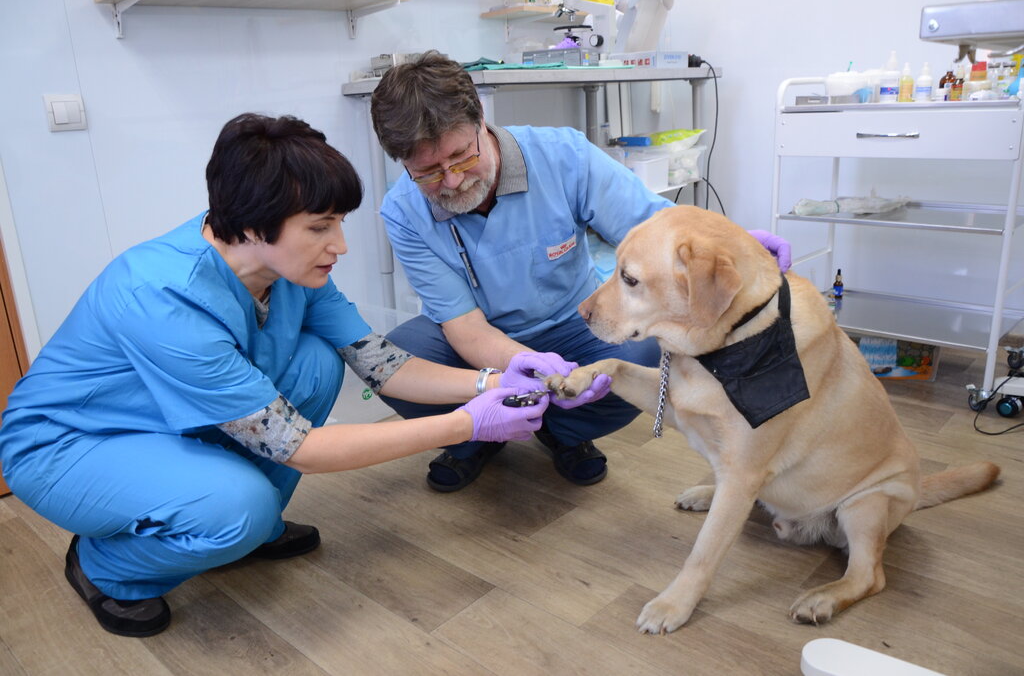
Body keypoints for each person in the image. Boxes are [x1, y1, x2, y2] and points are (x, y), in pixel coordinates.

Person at [0, 113, 566, 638]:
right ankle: (106, 566)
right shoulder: (162, 296)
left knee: (318, 363)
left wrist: (497, 379)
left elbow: (382, 365)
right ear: (250, 225)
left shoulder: (286, 268)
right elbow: (300, 448)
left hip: (165, 424)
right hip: (69, 445)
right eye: (321, 227)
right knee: (235, 509)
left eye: (339, 223)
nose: (340, 246)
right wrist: (466, 425)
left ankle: (245, 528)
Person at [369, 51, 791, 493]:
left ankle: (560, 432)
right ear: (403, 165)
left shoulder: (563, 157)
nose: (452, 182)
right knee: (393, 361)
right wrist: (519, 366)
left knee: (647, 354)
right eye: (429, 173)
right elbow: (467, 330)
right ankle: (476, 432)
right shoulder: (403, 211)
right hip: (477, 342)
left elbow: (655, 226)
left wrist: (734, 246)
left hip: (573, 327)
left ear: (480, 120)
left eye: (460, 157)